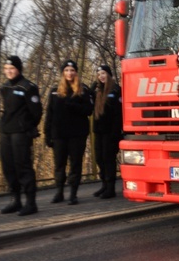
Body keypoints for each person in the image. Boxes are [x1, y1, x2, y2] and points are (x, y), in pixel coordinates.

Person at [45, 60, 94, 205]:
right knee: (59, 164)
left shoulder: (83, 89)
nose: (69, 73)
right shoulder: (55, 90)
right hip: (59, 134)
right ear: (62, 73)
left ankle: (73, 194)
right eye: (66, 70)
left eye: (72, 70)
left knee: (75, 164)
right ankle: (59, 192)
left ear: (76, 72)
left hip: (77, 134)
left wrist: (74, 105)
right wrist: (47, 134)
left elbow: (89, 110)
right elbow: (49, 114)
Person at [0, 56, 43, 216]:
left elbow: (36, 112)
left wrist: (28, 127)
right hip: (6, 132)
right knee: (8, 167)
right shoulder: (4, 87)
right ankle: (15, 200)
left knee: (23, 167)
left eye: (12, 68)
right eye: (6, 69)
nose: (9, 72)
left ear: (18, 69)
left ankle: (31, 203)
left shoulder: (28, 87)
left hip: (21, 133)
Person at [91, 65, 123, 199]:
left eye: (103, 73)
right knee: (99, 158)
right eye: (99, 74)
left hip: (110, 132)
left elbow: (118, 114)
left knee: (108, 159)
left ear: (109, 75)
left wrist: (116, 133)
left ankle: (110, 188)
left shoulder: (115, 90)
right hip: (99, 131)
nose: (101, 76)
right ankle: (104, 184)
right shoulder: (98, 90)